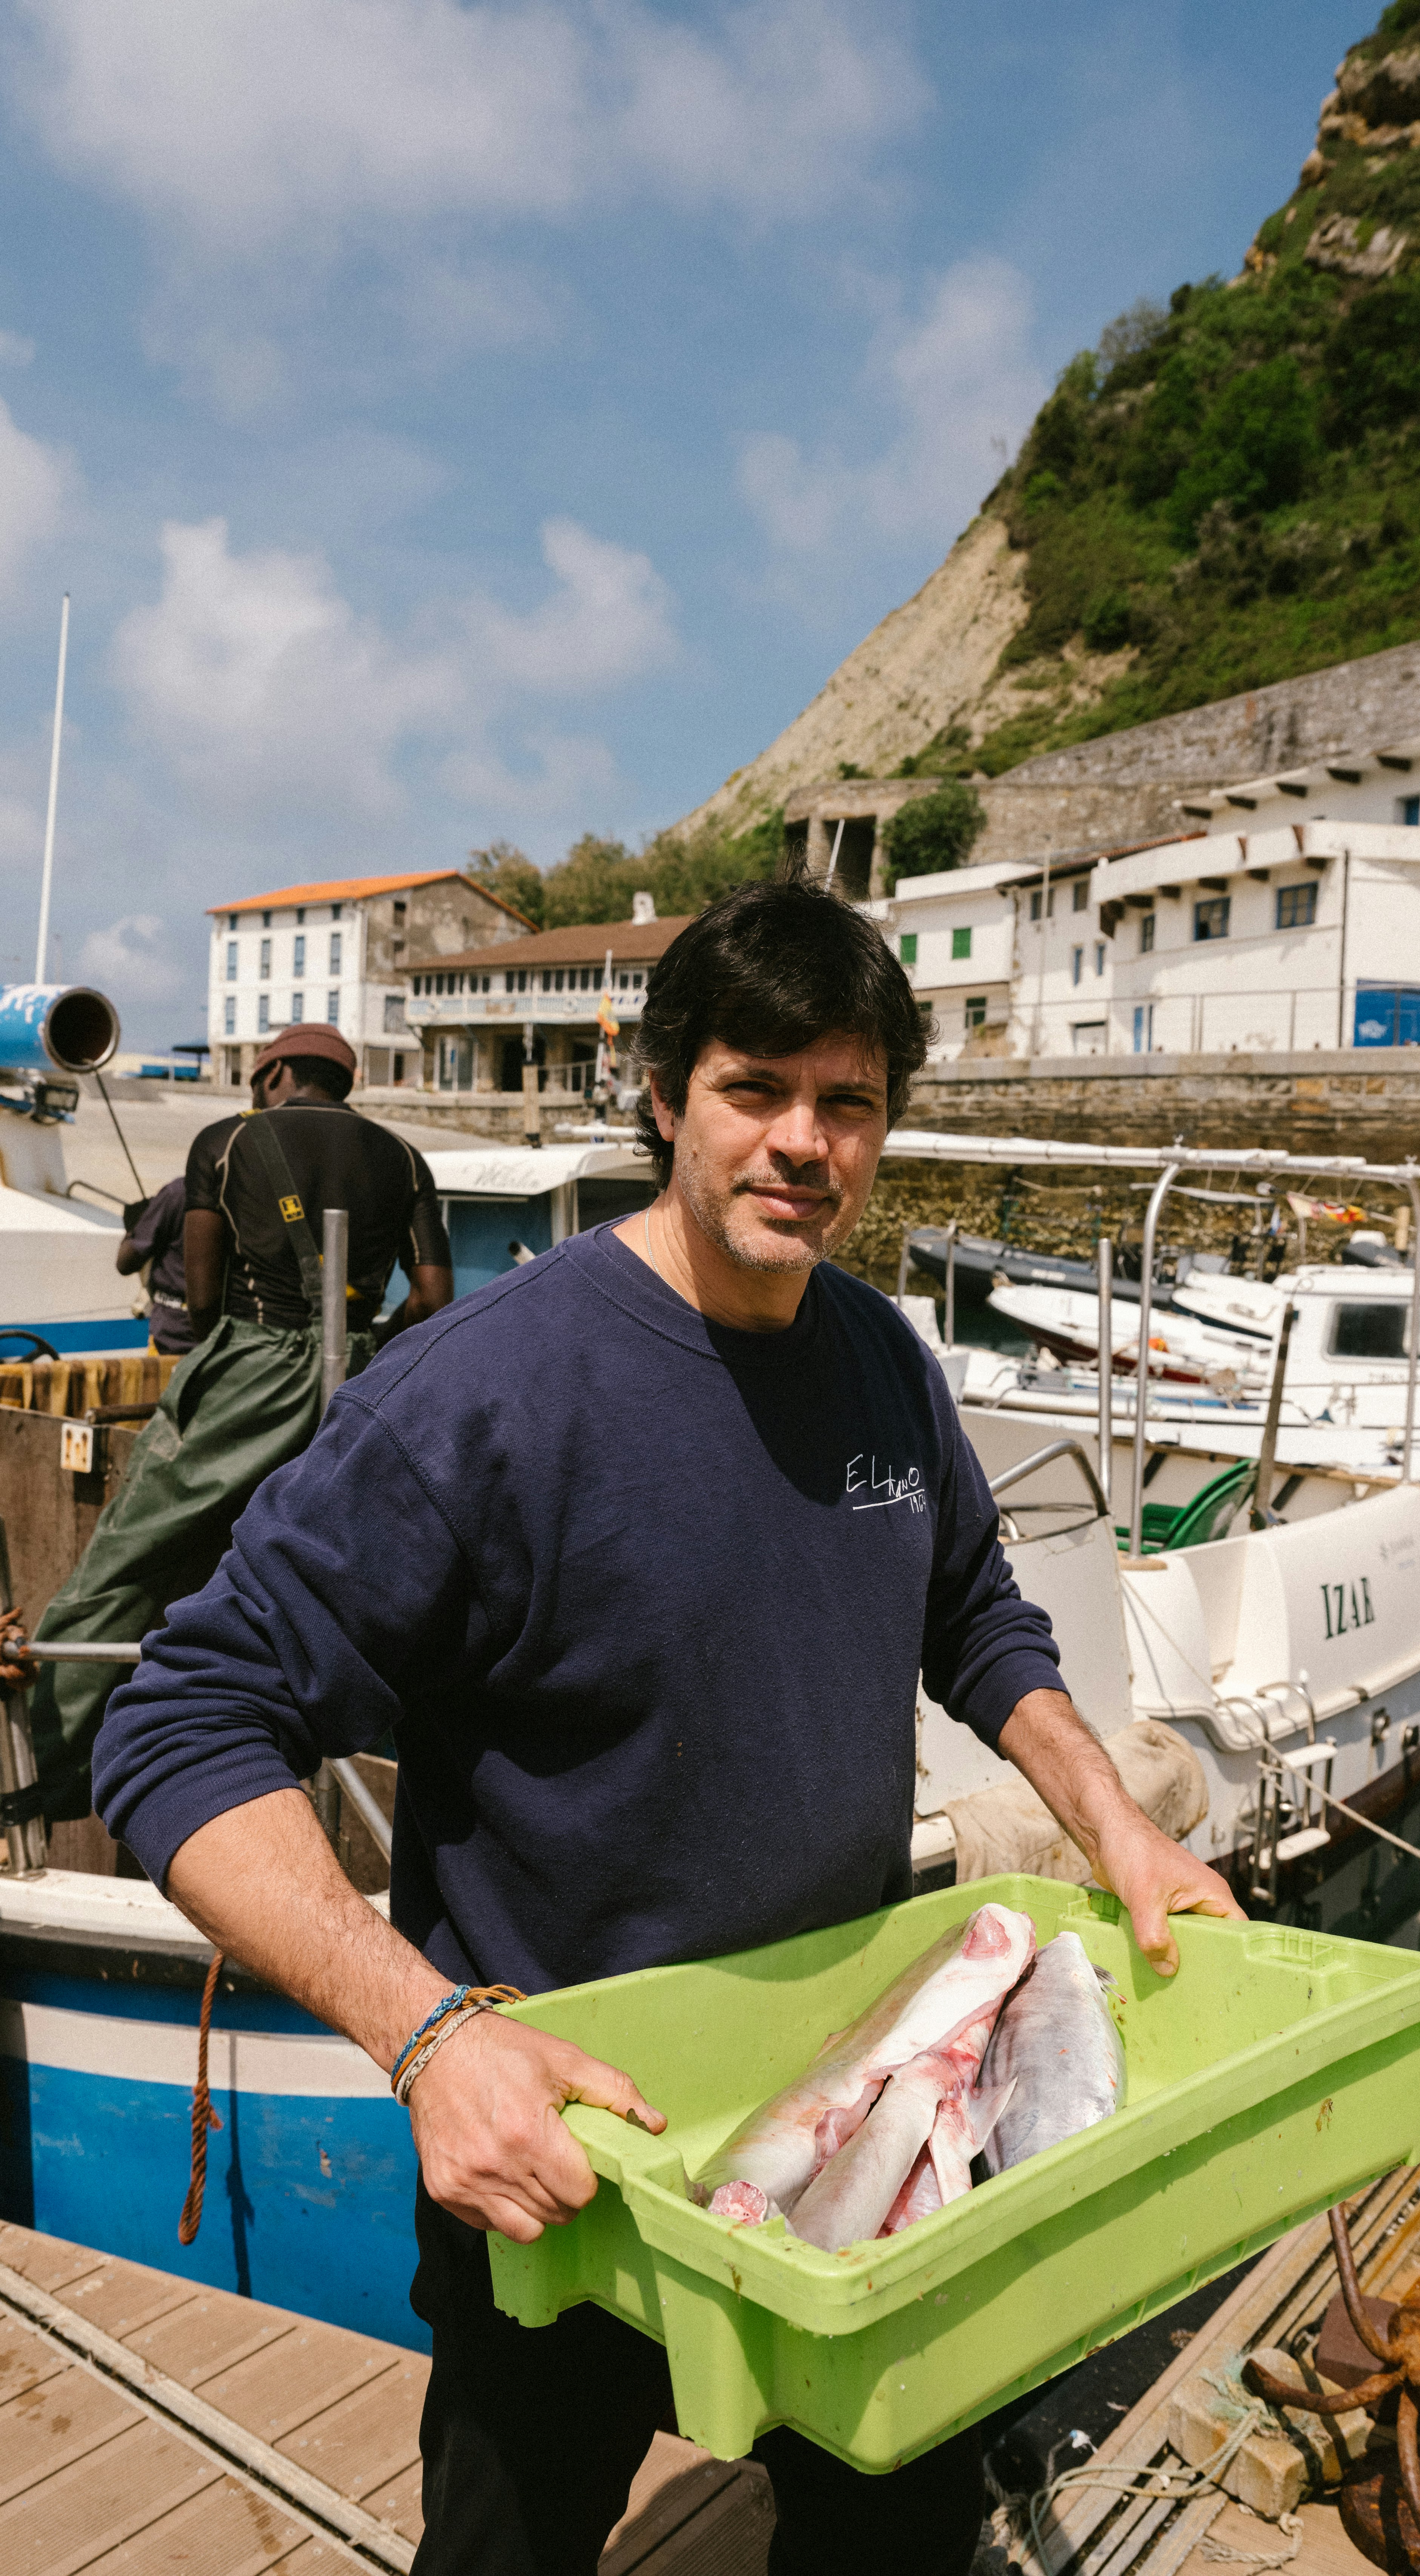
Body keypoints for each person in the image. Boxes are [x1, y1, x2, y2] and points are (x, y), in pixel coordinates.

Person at [91, 879, 1242, 2576]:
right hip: (560, 2157)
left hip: (857, 2124)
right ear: (662, 1096)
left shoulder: (882, 1360)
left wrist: (1117, 1826)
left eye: (845, 1102)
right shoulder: (481, 1399)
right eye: (753, 1089)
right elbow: (179, 1724)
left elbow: (974, 1617)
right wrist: (429, 2040)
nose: (801, 1143)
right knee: (515, 2539)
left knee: (892, 2538)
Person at [30, 1023, 452, 1824]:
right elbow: (434, 1296)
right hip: (363, 1381)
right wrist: (363, 1350)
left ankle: (39, 1774)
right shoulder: (402, 1156)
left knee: (126, 1563)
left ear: (276, 1073)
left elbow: (200, 1292)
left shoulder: (226, 1142)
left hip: (252, 1363)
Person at [117, 1177, 195, 1356]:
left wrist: (140, 1223)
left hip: (173, 1339)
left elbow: (125, 1264)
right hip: (224, 1340)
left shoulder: (177, 1193)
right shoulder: (242, 1194)